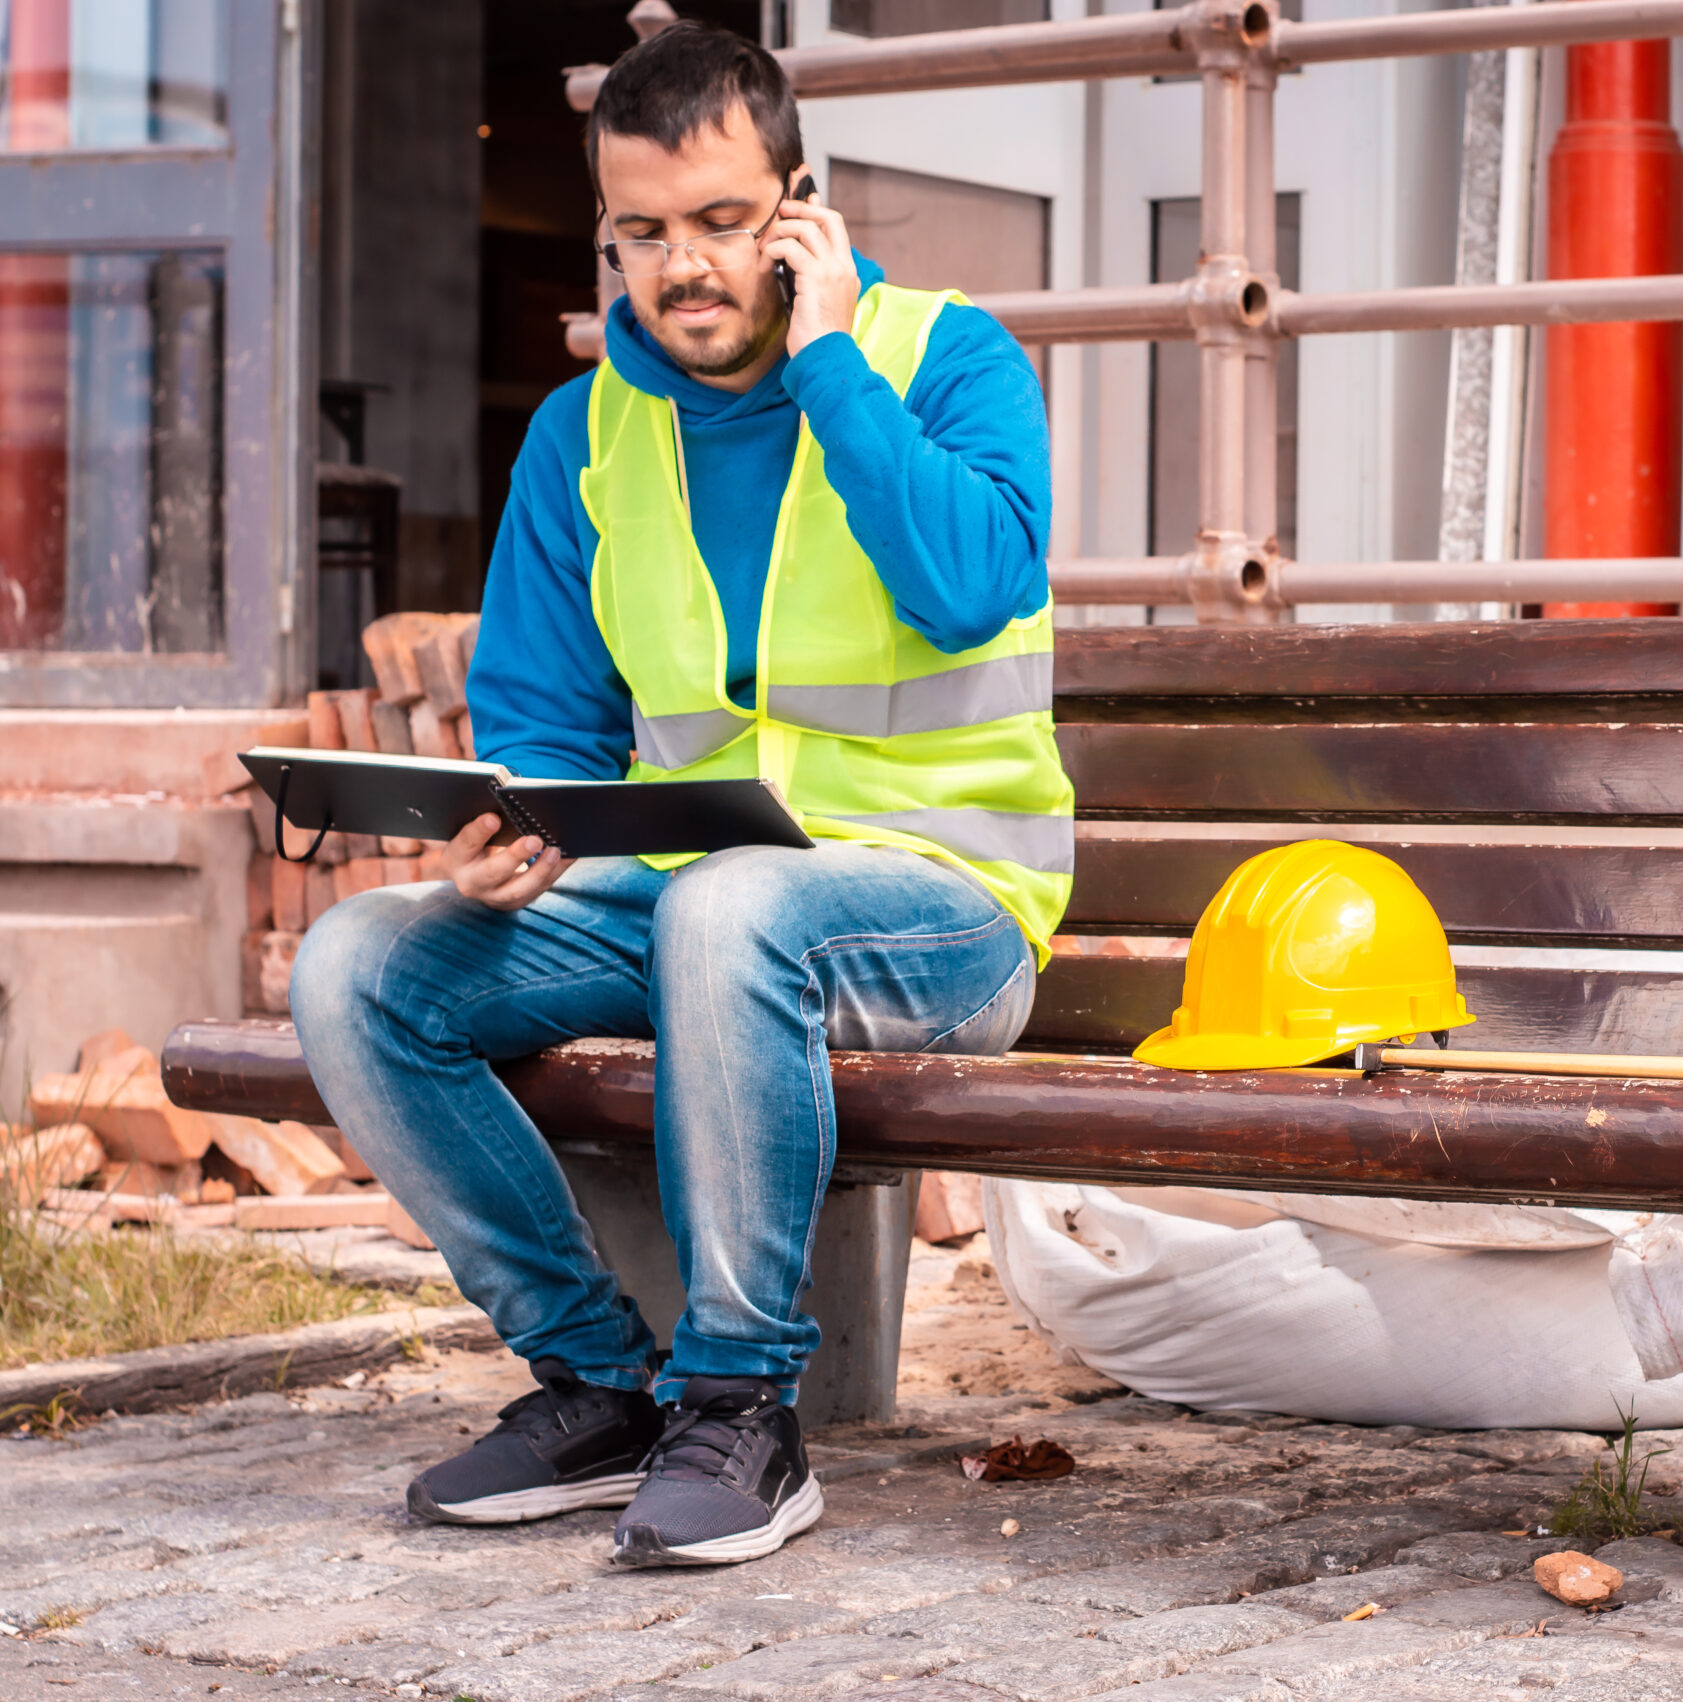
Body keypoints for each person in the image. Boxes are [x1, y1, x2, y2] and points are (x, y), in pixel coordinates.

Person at [288, 20, 1070, 1569]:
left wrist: (833, 363)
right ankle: (597, 1384)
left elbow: (976, 582)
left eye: (722, 222)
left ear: (801, 208)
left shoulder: (948, 359)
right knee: (358, 965)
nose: (684, 266)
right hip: (693, 905)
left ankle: (741, 1405)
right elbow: (545, 731)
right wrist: (510, 836)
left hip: (950, 907)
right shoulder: (583, 438)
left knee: (731, 908)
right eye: (643, 232)